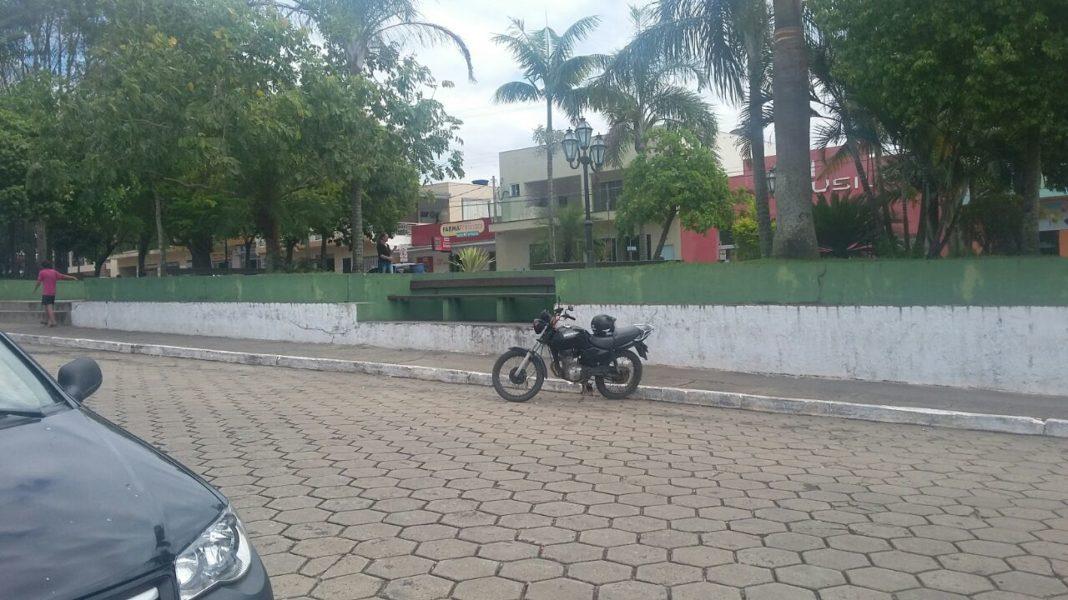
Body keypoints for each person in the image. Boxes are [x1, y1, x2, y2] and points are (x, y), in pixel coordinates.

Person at [33, 260, 78, 327]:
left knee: (49, 307)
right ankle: (46, 320)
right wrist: (72, 277)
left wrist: (35, 289)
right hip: (53, 293)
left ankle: (53, 321)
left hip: (46, 293)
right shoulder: (54, 272)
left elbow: (39, 282)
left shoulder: (42, 272)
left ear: (43, 266)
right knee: (46, 306)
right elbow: (62, 276)